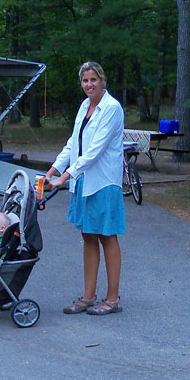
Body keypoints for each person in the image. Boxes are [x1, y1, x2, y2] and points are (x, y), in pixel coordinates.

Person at [46, 61, 125, 315]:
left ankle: (112, 299)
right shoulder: (84, 106)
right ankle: (88, 296)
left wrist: (66, 175)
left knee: (107, 236)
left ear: (102, 81)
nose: (89, 85)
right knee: (88, 236)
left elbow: (94, 150)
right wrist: (54, 169)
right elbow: (74, 143)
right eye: (85, 81)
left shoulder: (111, 108)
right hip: (84, 182)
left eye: (93, 80)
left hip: (103, 182)